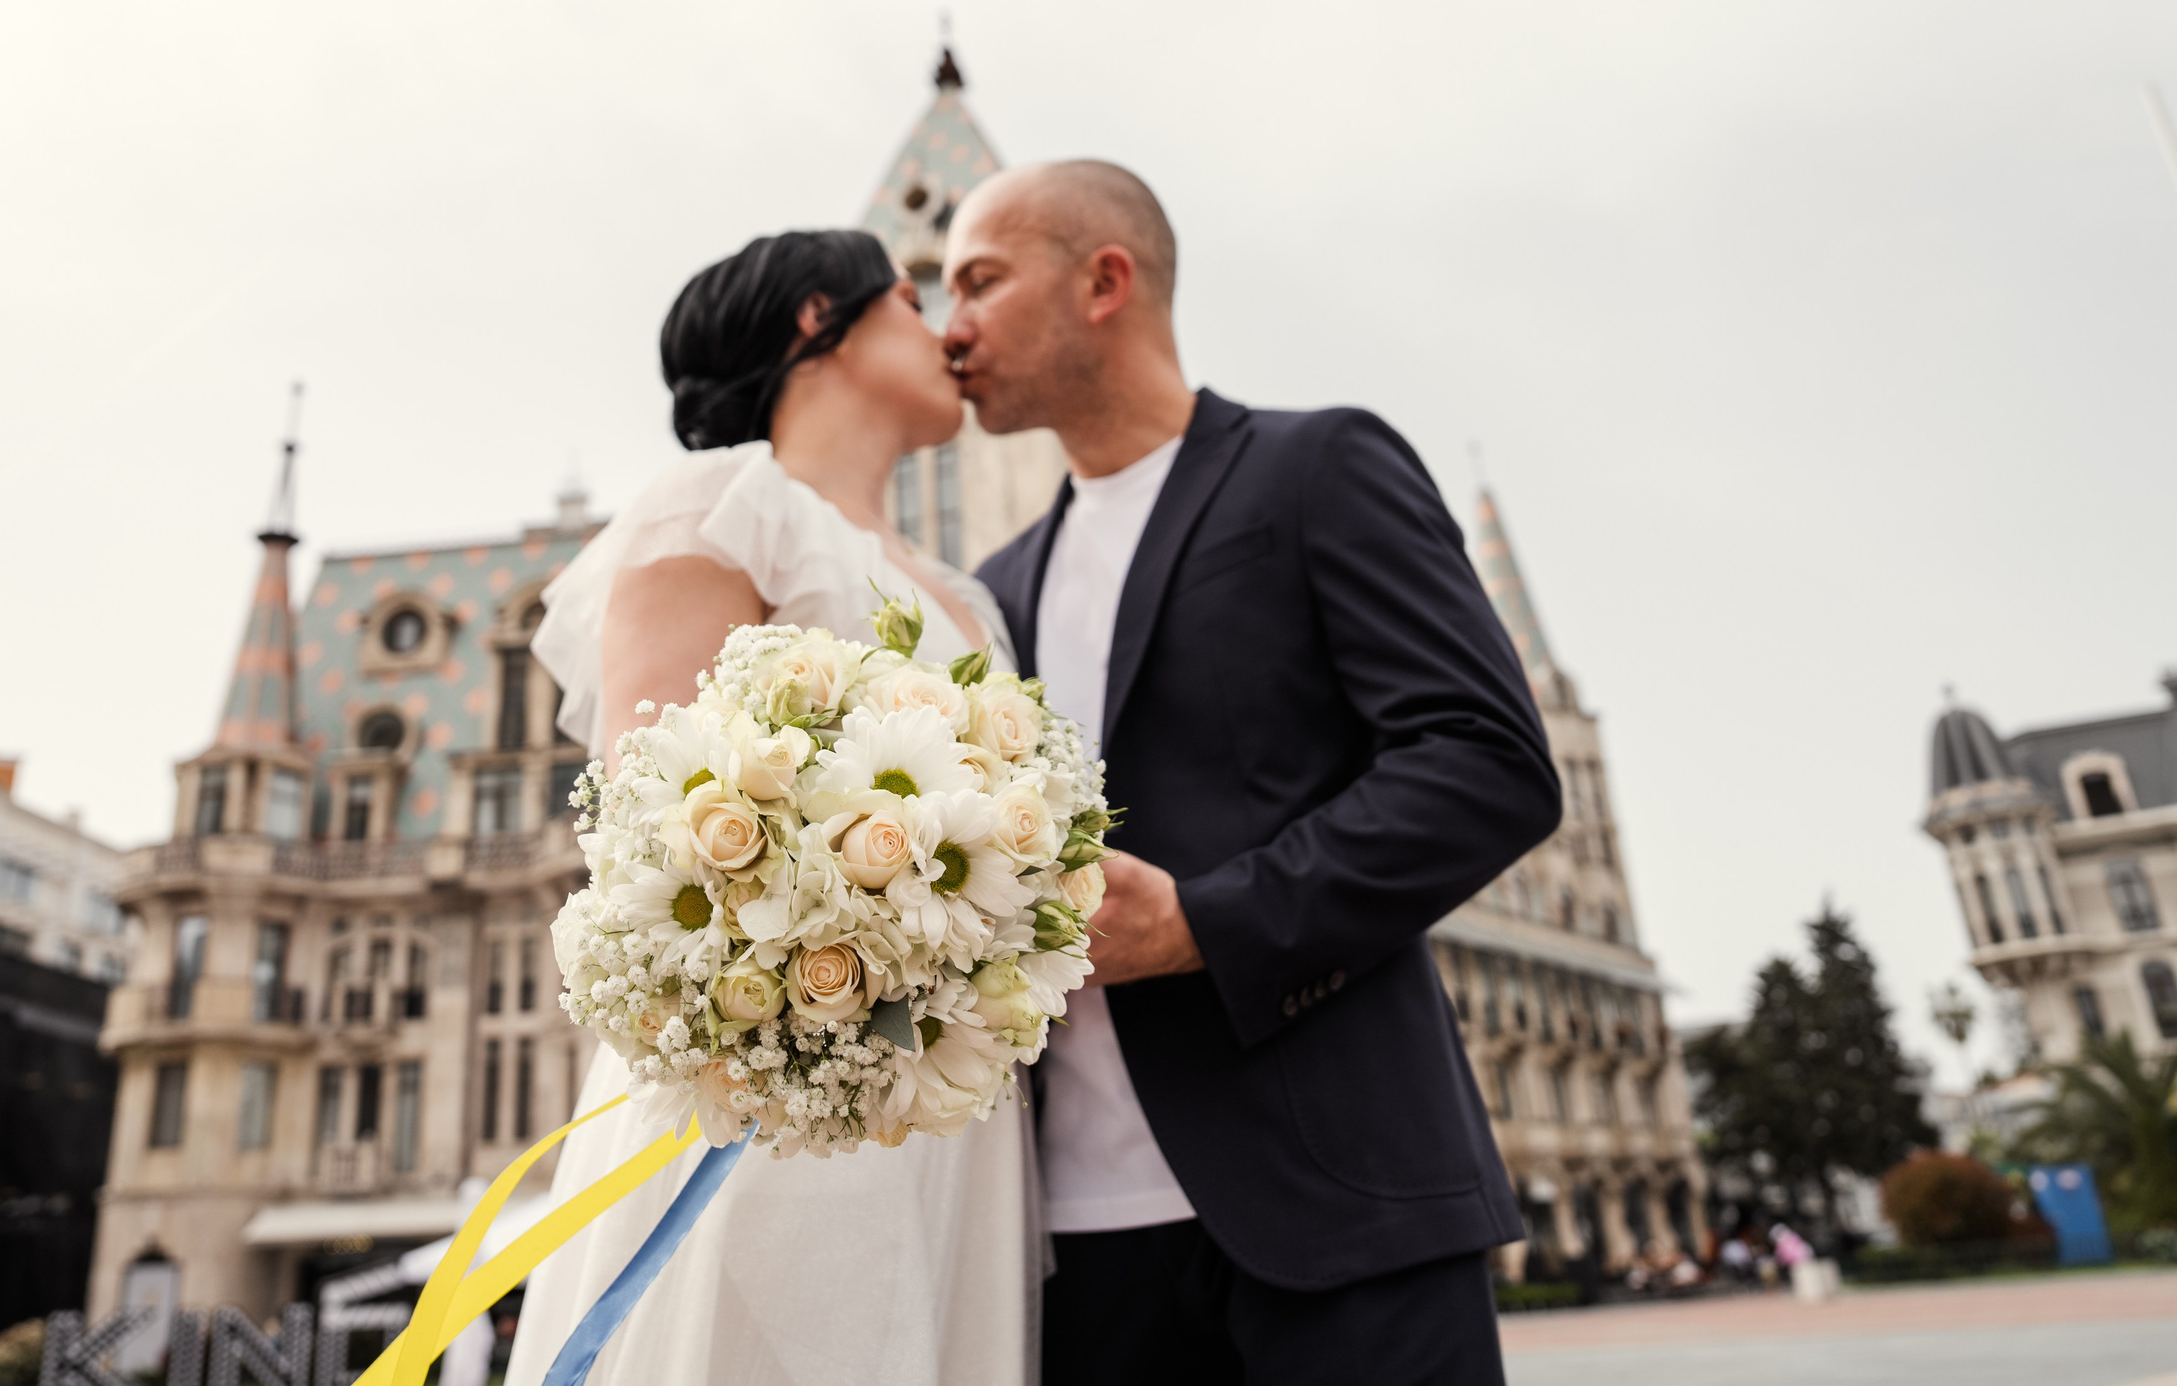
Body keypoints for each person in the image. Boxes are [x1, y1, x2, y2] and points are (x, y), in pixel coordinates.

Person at [947, 161, 1562, 1386]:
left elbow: (1486, 761)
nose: (945, 327)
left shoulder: (1315, 469)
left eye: (978, 281)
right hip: (1072, 1254)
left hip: (1339, 1218)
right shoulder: (990, 594)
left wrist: (1202, 925)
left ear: (1104, 280)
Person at [506, 230, 1036, 1386]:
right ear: (815, 320)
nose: (943, 324)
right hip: (771, 1082)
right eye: (909, 296)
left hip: (948, 1097)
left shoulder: (975, 601)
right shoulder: (724, 504)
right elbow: (658, 826)